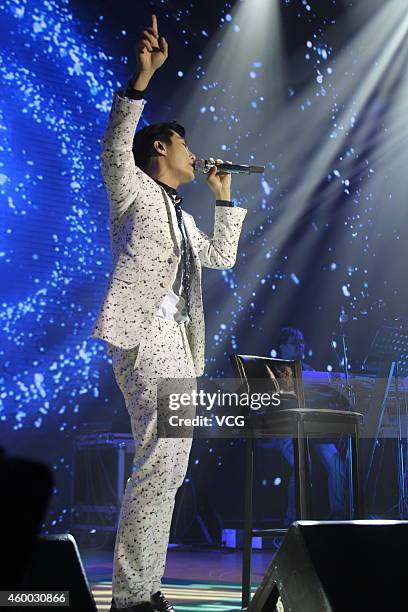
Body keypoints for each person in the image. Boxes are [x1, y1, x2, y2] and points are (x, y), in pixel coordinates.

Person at [91, 15, 247, 612]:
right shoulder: (129, 185)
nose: (196, 152)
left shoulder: (179, 214)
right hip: (142, 328)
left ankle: (143, 589)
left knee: (170, 464)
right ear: (161, 146)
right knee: (161, 456)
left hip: (178, 340)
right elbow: (112, 142)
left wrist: (224, 198)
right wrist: (142, 77)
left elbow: (221, 257)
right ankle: (133, 597)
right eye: (186, 144)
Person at [267, 327, 346, 525]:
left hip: (312, 428)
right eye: (295, 343)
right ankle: (292, 522)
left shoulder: (309, 370)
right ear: (282, 346)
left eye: (301, 342)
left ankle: (340, 517)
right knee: (303, 464)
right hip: (285, 430)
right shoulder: (271, 370)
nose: (300, 346)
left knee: (336, 462)